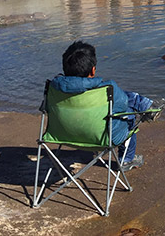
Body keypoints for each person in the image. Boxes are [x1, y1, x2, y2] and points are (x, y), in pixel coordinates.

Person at [50, 40, 152, 171]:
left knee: (119, 100)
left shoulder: (54, 89)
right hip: (103, 138)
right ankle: (126, 160)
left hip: (62, 135)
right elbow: (123, 106)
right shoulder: (107, 88)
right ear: (93, 70)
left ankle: (145, 105)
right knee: (129, 113)